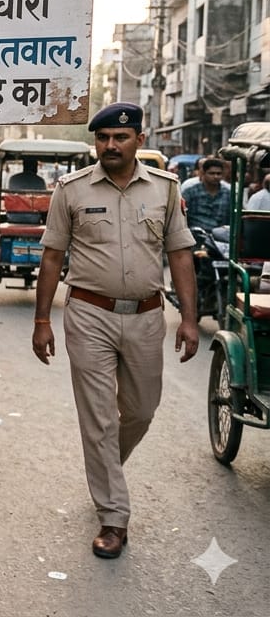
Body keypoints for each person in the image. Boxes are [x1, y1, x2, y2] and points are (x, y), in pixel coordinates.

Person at [32, 102, 197, 561]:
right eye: (103, 138)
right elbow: (51, 256)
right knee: (100, 418)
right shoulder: (72, 189)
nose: (110, 145)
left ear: (139, 140)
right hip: (88, 314)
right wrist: (42, 320)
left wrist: (187, 317)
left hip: (147, 316)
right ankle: (114, 516)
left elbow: (180, 253)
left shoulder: (165, 189)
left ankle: (107, 471)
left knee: (141, 411)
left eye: (120, 138)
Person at [181, 157, 231, 230]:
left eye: (218, 174)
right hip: (196, 234)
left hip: (221, 235)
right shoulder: (190, 192)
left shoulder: (227, 193)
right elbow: (182, 216)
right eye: (211, 173)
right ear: (203, 173)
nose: (215, 176)